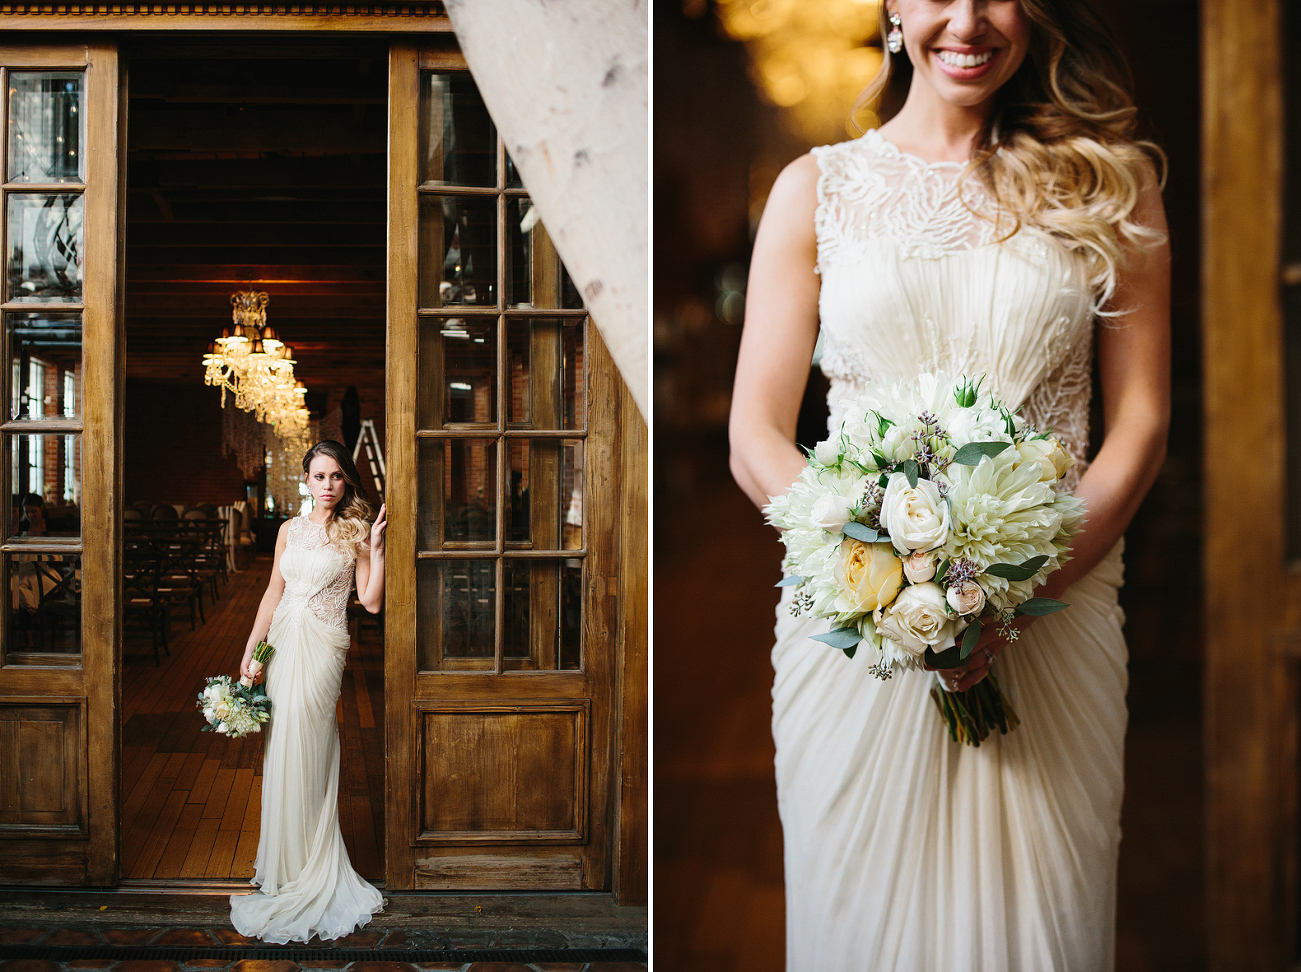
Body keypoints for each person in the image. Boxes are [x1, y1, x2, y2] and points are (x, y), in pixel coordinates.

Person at [728, 0, 1170, 968]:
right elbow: (754, 433)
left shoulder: (1110, 183)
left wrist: (1014, 595)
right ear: (890, 6)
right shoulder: (816, 189)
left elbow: (1138, 422)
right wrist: (881, 582)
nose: (965, 19)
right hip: (856, 635)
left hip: (1055, 620)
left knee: (1041, 933)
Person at [229, 440, 387, 943]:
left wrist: (377, 551)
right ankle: (288, 865)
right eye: (319, 477)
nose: (327, 486)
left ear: (346, 481)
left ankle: (316, 866)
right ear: (306, 479)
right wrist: (254, 651)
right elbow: (273, 593)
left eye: (336, 476)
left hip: (322, 649)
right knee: (281, 746)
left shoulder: (355, 530)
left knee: (310, 746)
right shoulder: (288, 531)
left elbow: (371, 602)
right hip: (281, 642)